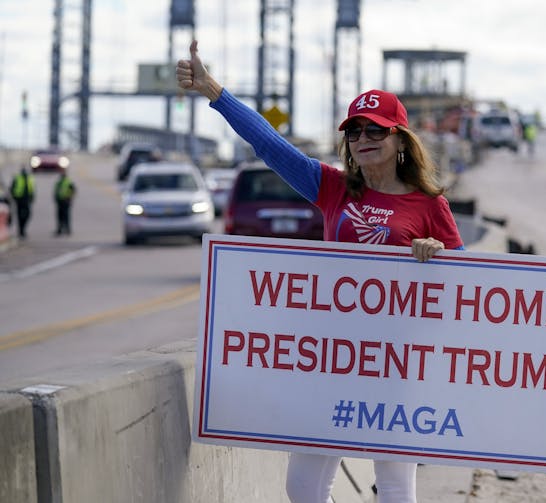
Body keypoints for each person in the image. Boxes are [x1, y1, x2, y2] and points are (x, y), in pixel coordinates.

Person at [177, 40, 464, 503]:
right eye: (355, 131)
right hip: (332, 361)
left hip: (396, 364)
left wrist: (438, 255)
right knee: (304, 489)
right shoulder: (333, 189)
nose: (364, 138)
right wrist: (213, 89)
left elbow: (477, 290)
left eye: (376, 129)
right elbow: (271, 145)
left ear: (400, 140)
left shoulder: (430, 205)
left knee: (395, 490)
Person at [10, 167, 35, 239]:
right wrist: (15, 197)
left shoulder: (29, 178)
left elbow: (32, 189)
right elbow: (12, 188)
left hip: (27, 200)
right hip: (19, 200)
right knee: (20, 216)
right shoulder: (17, 178)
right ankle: (21, 231)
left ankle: (22, 229)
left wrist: (32, 198)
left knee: (27, 215)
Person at [54, 170, 76, 235]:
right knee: (59, 216)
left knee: (66, 216)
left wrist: (69, 198)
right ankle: (59, 229)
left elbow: (73, 191)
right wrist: (56, 199)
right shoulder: (59, 182)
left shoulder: (69, 182)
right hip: (60, 201)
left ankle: (68, 229)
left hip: (66, 201)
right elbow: (56, 192)